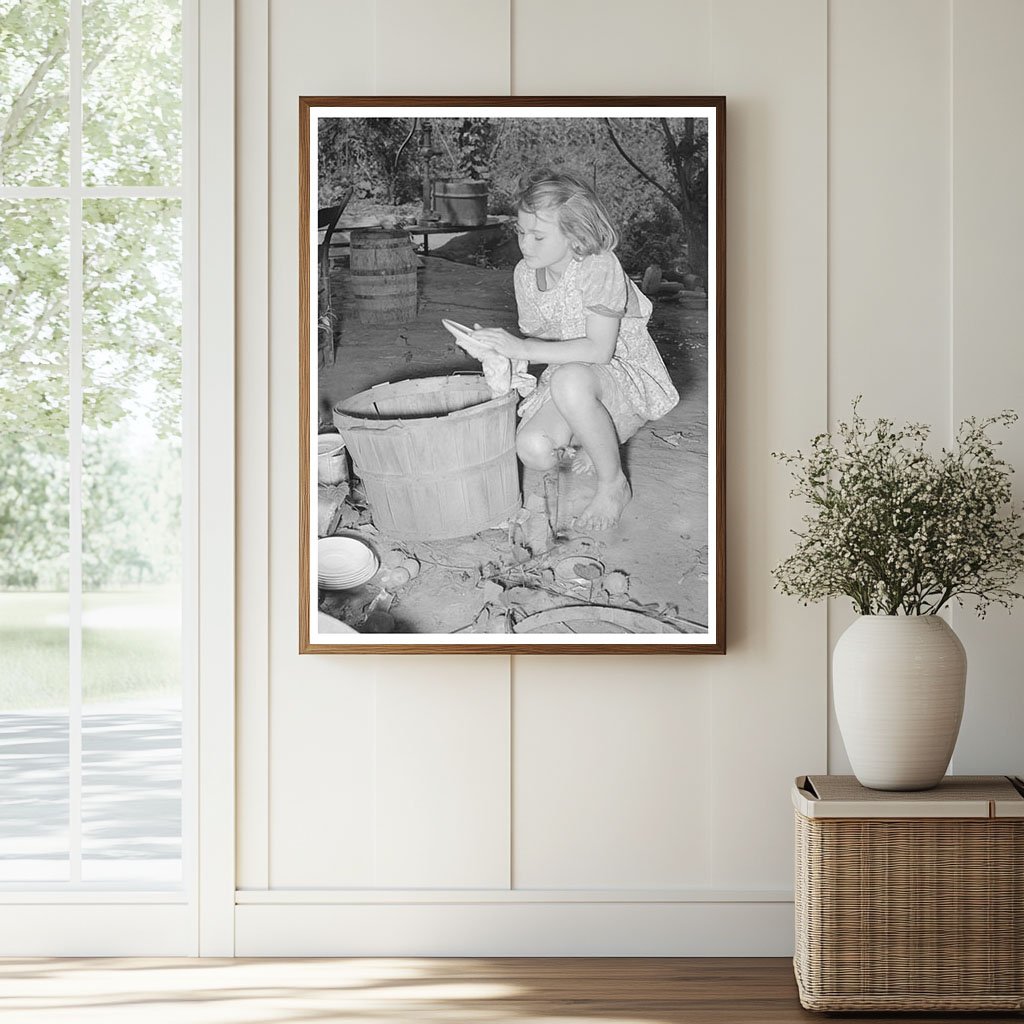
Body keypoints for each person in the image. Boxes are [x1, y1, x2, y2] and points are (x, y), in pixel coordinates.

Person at [471, 169, 679, 530]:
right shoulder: (525, 273)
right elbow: (543, 341)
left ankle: (613, 483)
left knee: (569, 382)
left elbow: (599, 351)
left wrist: (523, 347)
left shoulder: (598, 266)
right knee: (535, 450)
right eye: (520, 232)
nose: (525, 244)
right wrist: (502, 353)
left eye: (538, 236)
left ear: (575, 234)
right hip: (572, 372)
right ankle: (594, 433)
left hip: (620, 372)